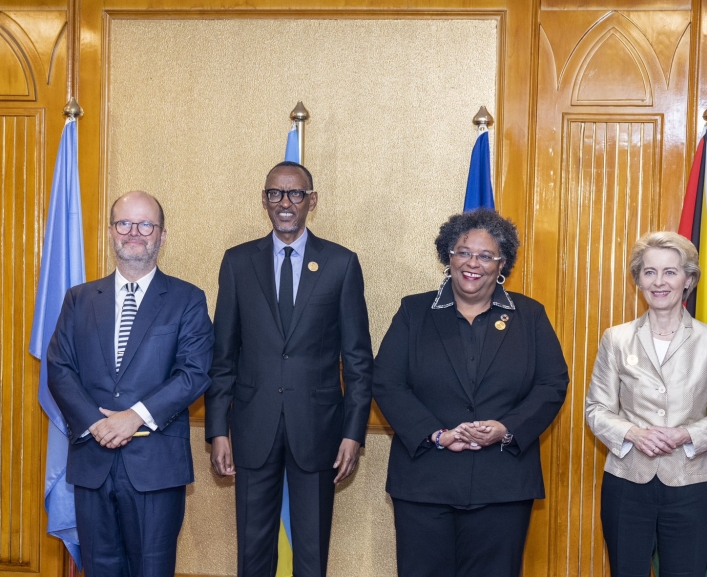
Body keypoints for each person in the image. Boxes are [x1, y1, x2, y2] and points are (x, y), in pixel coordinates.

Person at [372, 208, 568, 577]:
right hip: (425, 482)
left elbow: (552, 383)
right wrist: (436, 434)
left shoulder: (530, 315)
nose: (472, 263)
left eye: (485, 255)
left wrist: (506, 428)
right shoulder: (414, 311)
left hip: (503, 483)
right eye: (463, 252)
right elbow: (386, 381)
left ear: (502, 263)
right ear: (448, 256)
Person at [204, 161, 374, 577]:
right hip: (252, 426)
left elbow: (357, 359)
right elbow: (223, 356)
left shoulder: (341, 263)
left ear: (311, 201)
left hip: (318, 428)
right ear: (264, 200)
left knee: (311, 553)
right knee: (253, 552)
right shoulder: (238, 262)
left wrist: (353, 433)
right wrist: (218, 430)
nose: (285, 202)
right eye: (275, 193)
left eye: (295, 193)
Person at [47, 190, 214, 577]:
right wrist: (96, 423)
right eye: (124, 223)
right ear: (111, 231)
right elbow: (59, 367)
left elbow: (194, 372)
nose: (134, 232)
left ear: (162, 235)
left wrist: (134, 417)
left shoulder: (187, 299)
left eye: (145, 224)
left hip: (156, 467)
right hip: (92, 463)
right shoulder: (79, 299)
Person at [584, 231, 707, 577]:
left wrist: (686, 434)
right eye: (650, 272)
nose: (659, 282)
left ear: (688, 279)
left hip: (690, 483)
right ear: (638, 279)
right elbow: (596, 409)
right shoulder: (616, 338)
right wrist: (634, 434)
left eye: (670, 272)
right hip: (627, 482)